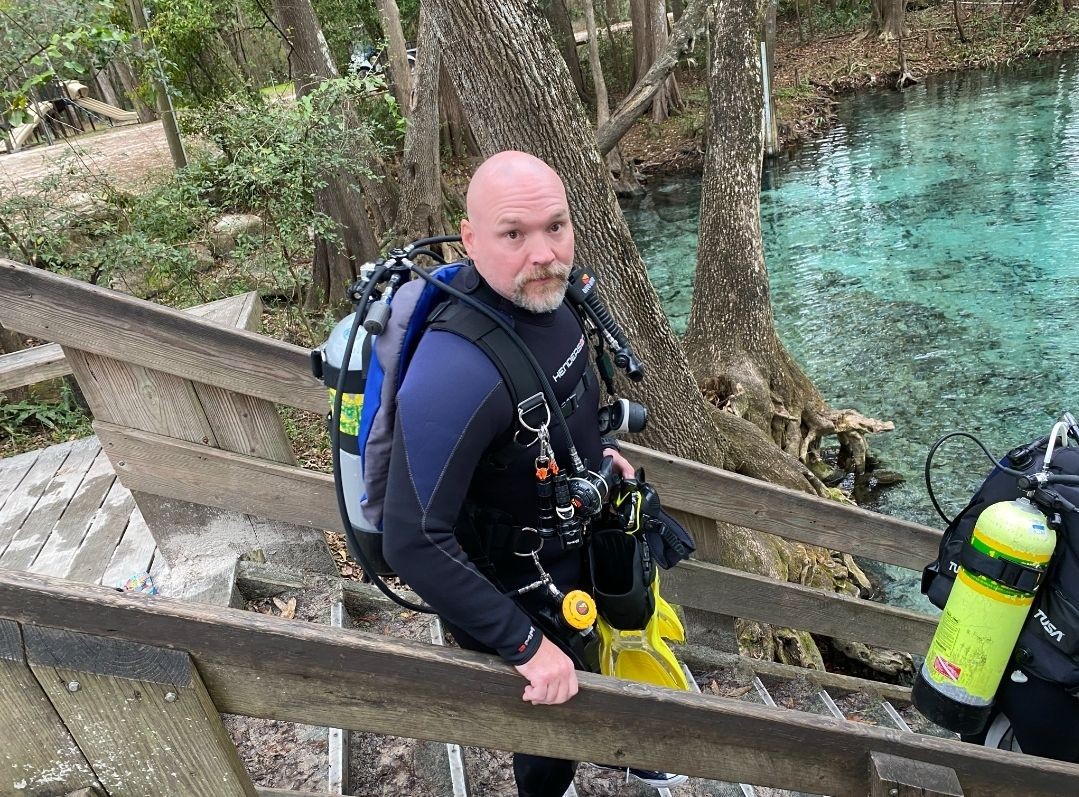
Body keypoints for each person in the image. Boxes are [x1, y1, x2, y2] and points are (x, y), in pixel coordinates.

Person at [380, 151, 683, 796]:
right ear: (470, 239)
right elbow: (410, 539)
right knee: (552, 718)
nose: (543, 253)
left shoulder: (554, 300)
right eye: (513, 234)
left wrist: (599, 459)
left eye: (556, 226)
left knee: (604, 653)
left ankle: (617, 746)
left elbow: (558, 404)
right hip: (511, 585)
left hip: (568, 540)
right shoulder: (453, 375)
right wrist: (523, 645)